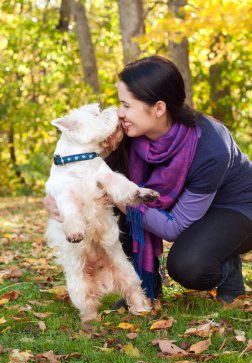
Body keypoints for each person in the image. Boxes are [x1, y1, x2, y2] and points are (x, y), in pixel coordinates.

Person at [45, 55, 252, 306]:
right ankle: (146, 282)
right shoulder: (132, 134)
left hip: (234, 208)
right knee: (112, 197)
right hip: (190, 208)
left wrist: (116, 195)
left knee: (189, 266)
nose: (120, 113)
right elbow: (85, 176)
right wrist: (55, 200)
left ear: (159, 108)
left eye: (127, 105)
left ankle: (226, 261)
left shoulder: (211, 146)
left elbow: (172, 228)